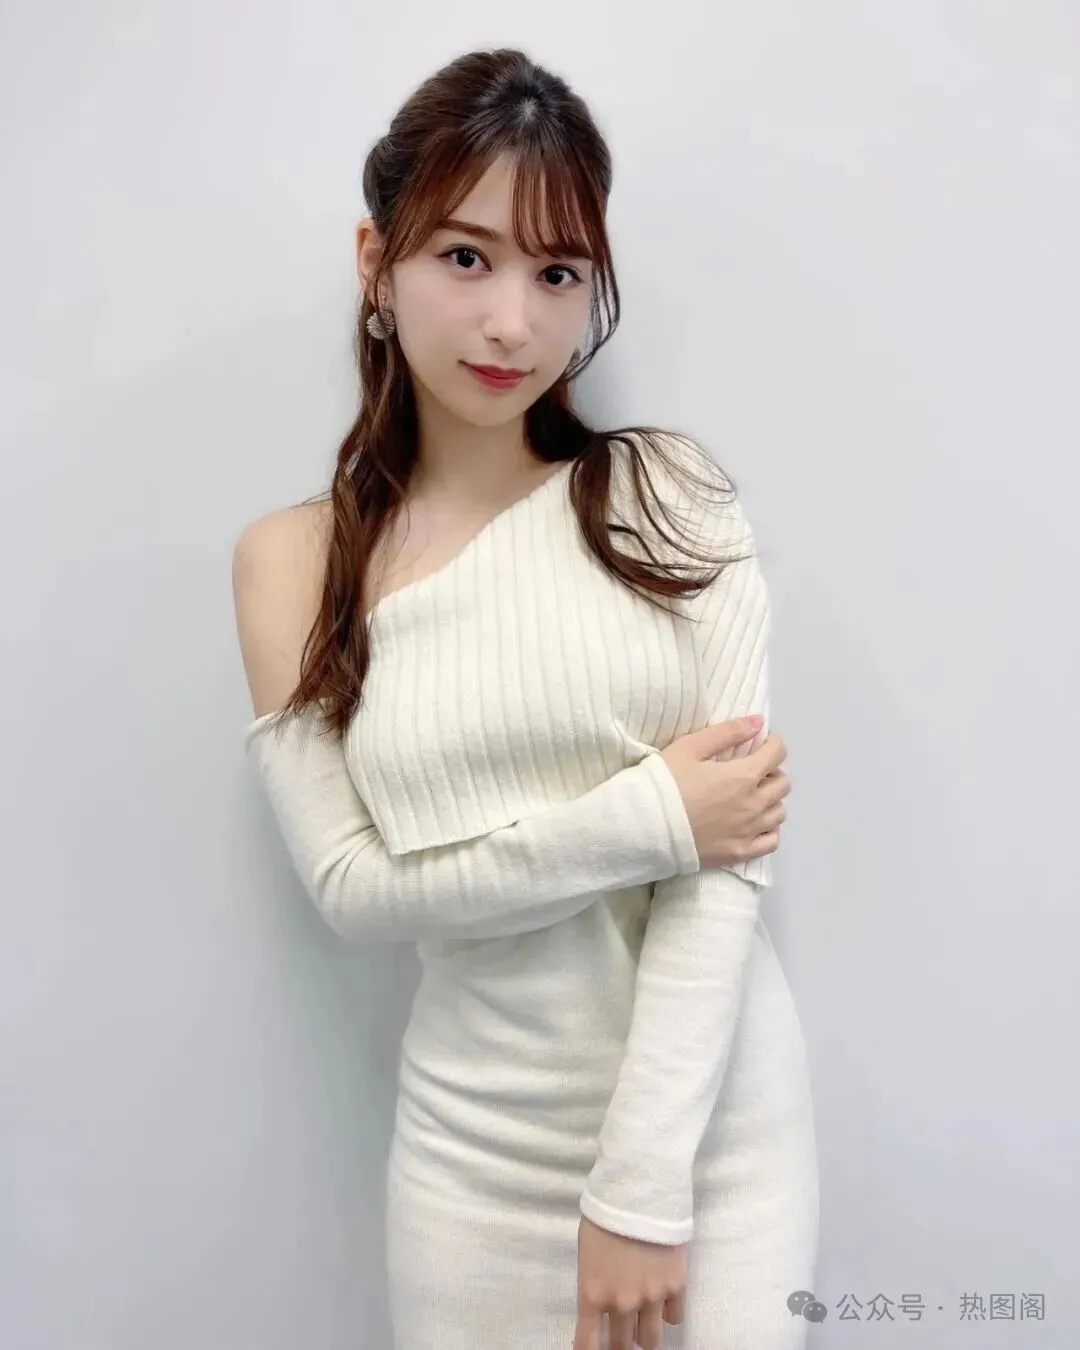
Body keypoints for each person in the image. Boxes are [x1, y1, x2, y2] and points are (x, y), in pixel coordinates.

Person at [232, 46, 818, 1350]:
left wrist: (642, 1191)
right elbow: (354, 890)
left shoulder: (670, 494)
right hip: (472, 1156)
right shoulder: (293, 562)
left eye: (557, 273)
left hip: (712, 1139)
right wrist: (650, 819)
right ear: (375, 262)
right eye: (467, 257)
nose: (513, 323)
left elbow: (728, 866)